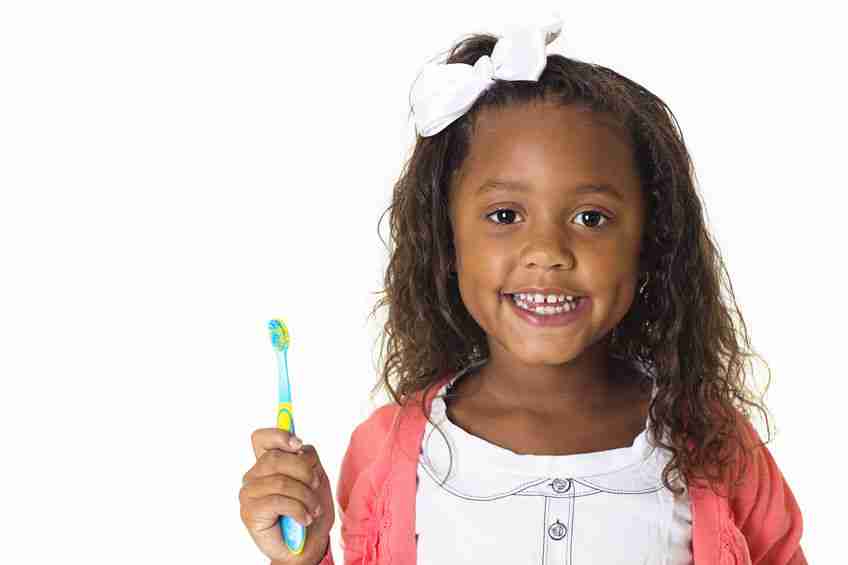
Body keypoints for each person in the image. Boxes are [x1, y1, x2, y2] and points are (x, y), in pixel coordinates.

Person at [239, 15, 807, 565]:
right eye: (506, 214)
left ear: (651, 241)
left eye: (590, 217)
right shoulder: (386, 454)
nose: (547, 251)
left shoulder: (716, 448)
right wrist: (304, 557)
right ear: (446, 238)